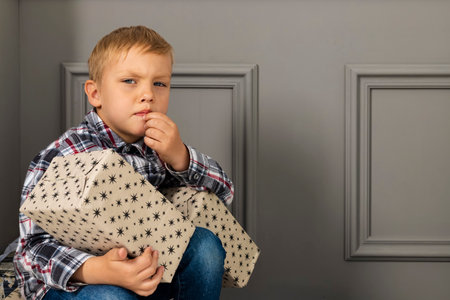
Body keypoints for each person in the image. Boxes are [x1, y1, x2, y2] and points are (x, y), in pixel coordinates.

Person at [14, 25, 234, 300]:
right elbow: (32, 249)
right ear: (95, 94)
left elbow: (224, 193)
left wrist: (181, 157)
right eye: (130, 81)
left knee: (205, 245)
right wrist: (96, 270)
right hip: (74, 283)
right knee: (110, 297)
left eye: (160, 83)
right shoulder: (65, 154)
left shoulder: (158, 150)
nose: (148, 94)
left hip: (145, 269)